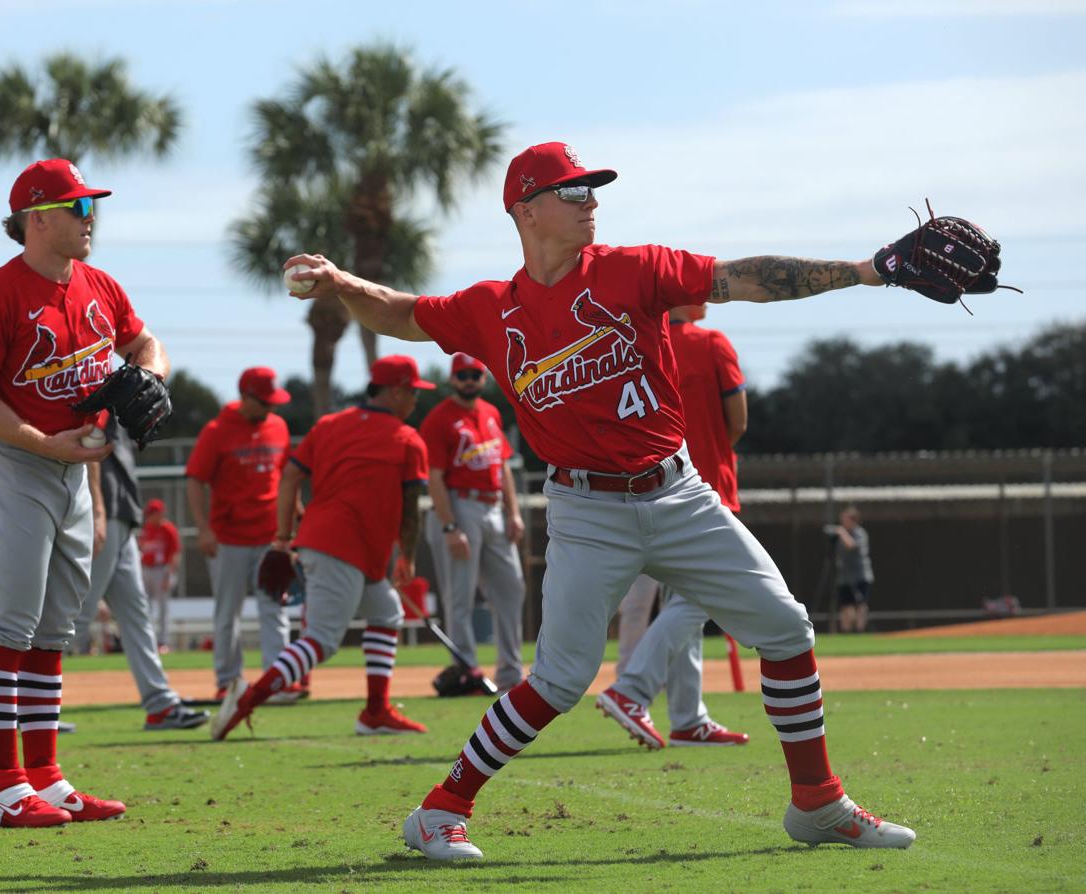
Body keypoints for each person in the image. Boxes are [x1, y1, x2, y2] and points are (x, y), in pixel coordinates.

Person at [281, 141, 917, 859]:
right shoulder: (493, 307)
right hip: (585, 511)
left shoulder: (631, 268)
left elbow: (742, 278)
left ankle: (818, 802)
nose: (591, 201)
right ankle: (439, 810)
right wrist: (337, 281)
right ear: (525, 209)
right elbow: (400, 313)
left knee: (787, 631)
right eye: (572, 191)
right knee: (558, 679)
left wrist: (865, 272)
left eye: (592, 189)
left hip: (678, 491)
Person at [0, 158, 154, 827]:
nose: (90, 217)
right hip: (15, 461)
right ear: (37, 219)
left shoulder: (98, 284)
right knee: (9, 626)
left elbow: (143, 341)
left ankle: (46, 775)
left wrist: (151, 373)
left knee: (52, 632)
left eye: (90, 206)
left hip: (76, 469)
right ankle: (3, 787)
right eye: (78, 207)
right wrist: (42, 443)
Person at [211, 355, 432, 740]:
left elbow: (291, 473)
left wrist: (282, 535)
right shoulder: (407, 439)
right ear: (395, 391)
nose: (415, 400)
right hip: (344, 548)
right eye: (412, 392)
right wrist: (408, 556)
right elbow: (411, 509)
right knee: (322, 641)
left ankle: (375, 712)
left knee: (386, 612)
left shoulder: (329, 425)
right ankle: (249, 697)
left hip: (328, 540)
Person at [598, 303, 749, 748]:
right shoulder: (711, 342)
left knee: (682, 602)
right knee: (701, 598)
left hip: (648, 488)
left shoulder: (634, 346)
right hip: (705, 487)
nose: (705, 295)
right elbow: (737, 421)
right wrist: (711, 450)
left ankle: (687, 717)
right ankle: (631, 689)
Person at [69, 415, 209, 732]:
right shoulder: (92, 388)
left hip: (124, 518)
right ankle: (29, 708)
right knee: (73, 616)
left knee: (136, 616)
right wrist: (97, 513)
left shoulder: (119, 408)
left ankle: (159, 704)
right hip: (100, 518)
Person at [420, 352, 526, 694]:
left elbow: (504, 466)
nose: (469, 379)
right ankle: (466, 671)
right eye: (462, 374)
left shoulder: (491, 413)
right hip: (458, 504)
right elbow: (434, 478)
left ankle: (511, 674)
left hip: (493, 506)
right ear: (452, 379)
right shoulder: (439, 419)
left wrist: (514, 512)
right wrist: (450, 526)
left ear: (483, 378)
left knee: (512, 587)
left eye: (475, 374)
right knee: (460, 597)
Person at [186, 367, 293, 699]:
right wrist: (203, 529)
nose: (271, 409)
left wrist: (291, 524)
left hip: (270, 534)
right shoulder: (217, 430)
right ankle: (228, 682)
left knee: (274, 608)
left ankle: (278, 680)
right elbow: (194, 480)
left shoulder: (278, 426)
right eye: (264, 402)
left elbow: (287, 476)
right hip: (228, 538)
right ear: (245, 398)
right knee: (227, 613)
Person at [139, 498, 180, 650]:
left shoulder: (168, 529)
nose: (149, 517)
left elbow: (175, 554)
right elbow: (143, 549)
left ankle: (163, 642)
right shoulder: (147, 528)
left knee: (163, 608)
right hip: (146, 570)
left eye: (152, 514)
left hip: (162, 570)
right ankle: (148, 640)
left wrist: (169, 576)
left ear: (160, 513)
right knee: (145, 607)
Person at [829, 506, 874, 633]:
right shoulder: (840, 535)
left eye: (845, 519)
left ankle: (860, 631)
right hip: (844, 576)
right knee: (846, 606)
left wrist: (842, 533)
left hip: (860, 576)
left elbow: (852, 546)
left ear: (853, 520)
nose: (842, 522)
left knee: (860, 605)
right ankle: (846, 632)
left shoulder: (859, 533)